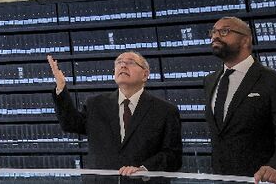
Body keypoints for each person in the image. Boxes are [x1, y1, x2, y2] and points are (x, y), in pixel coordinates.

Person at [205, 17, 276, 182]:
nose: (215, 36)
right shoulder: (210, 81)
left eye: (224, 31)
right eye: (213, 32)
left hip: (263, 180)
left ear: (245, 40)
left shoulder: (274, 80)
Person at [48, 52, 182, 173]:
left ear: (145, 74)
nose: (123, 65)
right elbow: (70, 124)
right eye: (119, 62)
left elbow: (173, 156)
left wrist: (144, 169)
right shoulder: (96, 104)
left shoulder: (165, 111)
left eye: (130, 62)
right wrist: (61, 87)